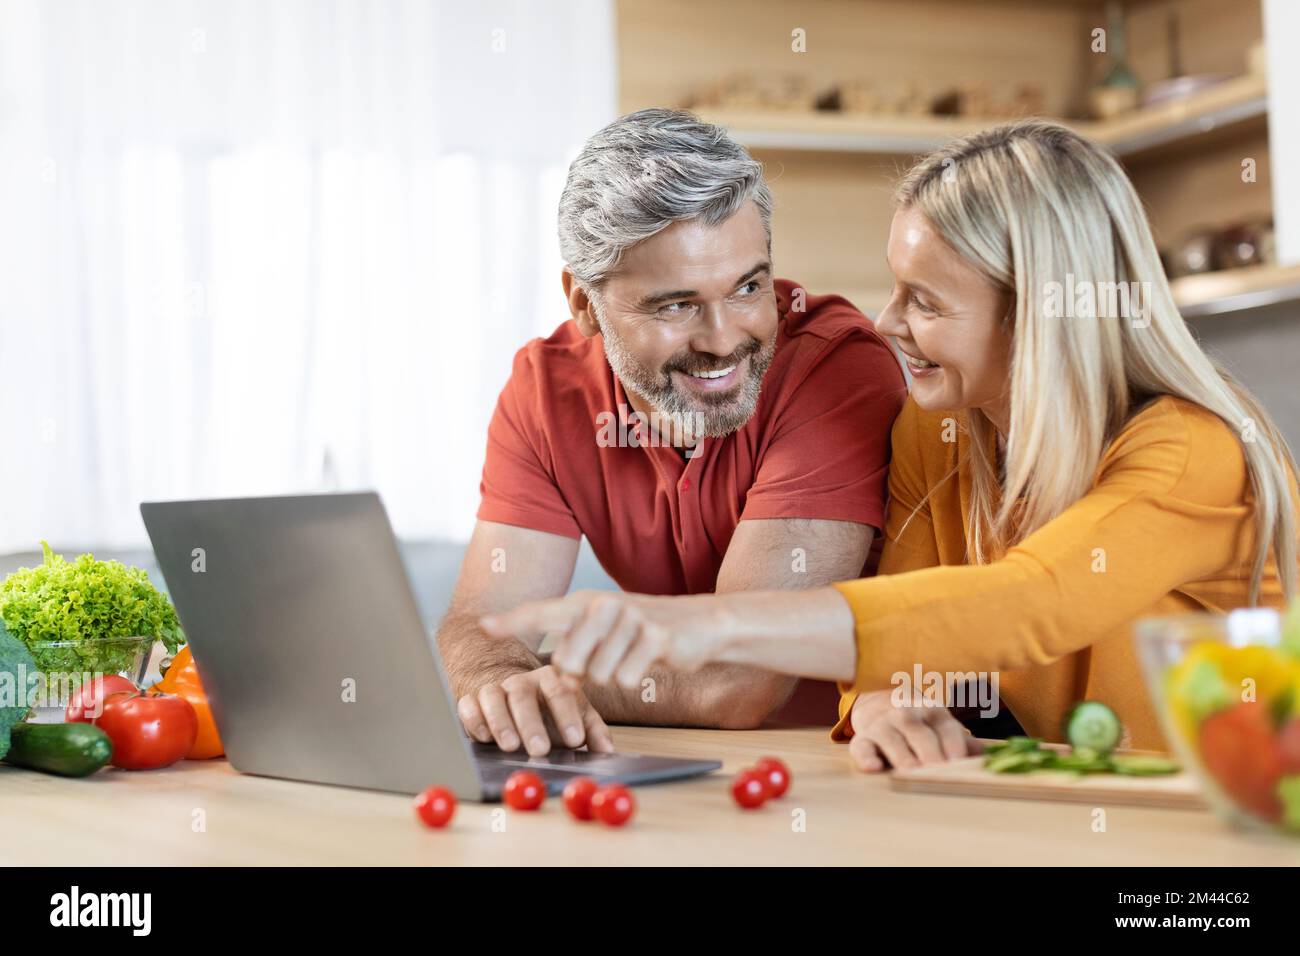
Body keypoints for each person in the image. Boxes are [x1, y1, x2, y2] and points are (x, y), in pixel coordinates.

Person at [483, 119, 1300, 773]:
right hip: (1076, 822)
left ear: (1038, 315)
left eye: (927, 301)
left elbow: (1031, 605)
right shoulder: (935, 432)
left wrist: (707, 627)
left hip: (1231, 828)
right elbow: (904, 646)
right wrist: (880, 704)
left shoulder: (1197, 449)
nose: (886, 323)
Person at [438, 108, 906, 756]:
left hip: (838, 766)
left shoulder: (834, 370)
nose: (723, 341)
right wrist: (496, 677)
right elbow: (485, 627)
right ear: (583, 304)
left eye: (748, 287)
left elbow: (738, 679)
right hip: (676, 765)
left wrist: (543, 677)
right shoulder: (545, 393)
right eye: (676, 305)